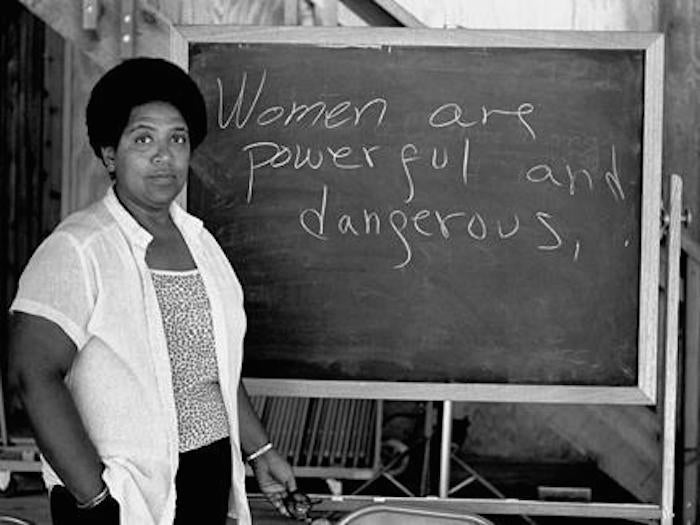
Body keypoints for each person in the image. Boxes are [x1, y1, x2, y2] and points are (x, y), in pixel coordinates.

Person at [8, 57, 297, 525]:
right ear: (109, 155)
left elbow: (217, 368)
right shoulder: (79, 248)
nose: (164, 156)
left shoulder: (201, 244)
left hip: (205, 481)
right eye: (143, 139)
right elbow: (32, 374)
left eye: (177, 139)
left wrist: (260, 450)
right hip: (123, 494)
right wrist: (94, 499)